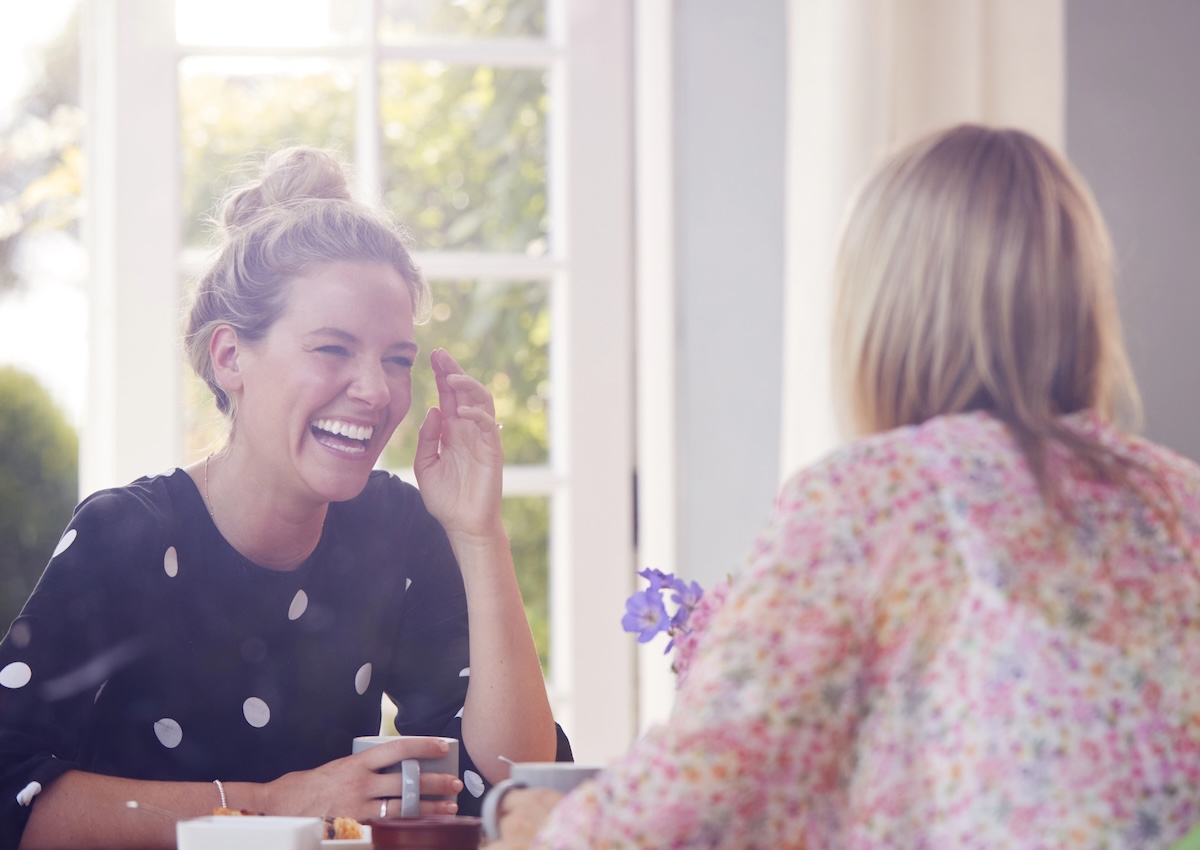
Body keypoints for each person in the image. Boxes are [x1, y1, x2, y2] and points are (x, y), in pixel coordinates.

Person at [489, 124, 1200, 849]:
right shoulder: (1182, 501)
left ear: (886, 310)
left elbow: (699, 789)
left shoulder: (871, 497)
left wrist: (543, 827)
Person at [0, 146, 566, 850]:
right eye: (333, 349)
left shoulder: (395, 530)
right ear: (230, 357)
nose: (377, 390)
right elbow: (10, 792)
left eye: (397, 360)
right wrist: (269, 805)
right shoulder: (127, 536)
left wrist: (480, 534)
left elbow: (516, 784)